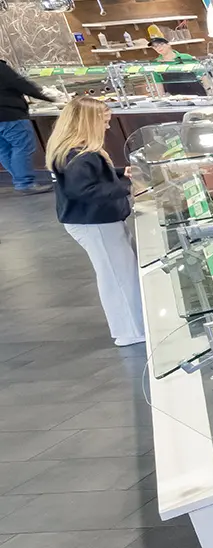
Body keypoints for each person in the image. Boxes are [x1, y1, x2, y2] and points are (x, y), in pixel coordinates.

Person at [47, 97, 143, 347]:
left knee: (120, 272)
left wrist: (121, 173)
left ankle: (134, 325)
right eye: (104, 121)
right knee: (117, 276)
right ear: (89, 122)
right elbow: (85, 190)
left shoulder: (71, 150)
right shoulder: (81, 155)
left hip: (94, 221)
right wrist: (126, 186)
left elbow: (87, 180)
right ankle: (130, 331)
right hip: (95, 222)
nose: (107, 127)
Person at [0, 58, 52, 194]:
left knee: (4, 149)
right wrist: (47, 97)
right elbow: (19, 83)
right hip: (10, 114)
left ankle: (19, 181)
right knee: (22, 147)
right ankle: (25, 183)